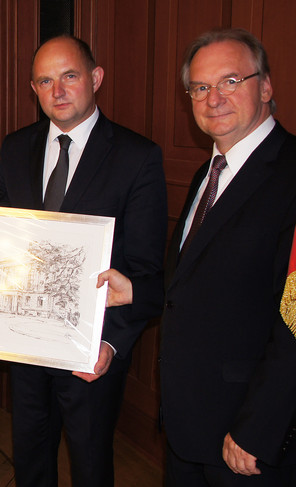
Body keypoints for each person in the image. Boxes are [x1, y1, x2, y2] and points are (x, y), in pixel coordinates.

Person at [0, 36, 167, 487]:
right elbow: (0, 239)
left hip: (92, 352)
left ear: (95, 78)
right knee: (30, 459)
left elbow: (145, 270)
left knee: (90, 463)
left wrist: (109, 346)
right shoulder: (14, 148)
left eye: (69, 76)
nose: (58, 90)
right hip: (25, 343)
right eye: (45, 80)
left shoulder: (137, 156)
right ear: (33, 89)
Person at [160, 28, 296, 486]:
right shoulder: (209, 170)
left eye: (231, 81)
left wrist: (259, 426)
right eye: (200, 87)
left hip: (247, 437)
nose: (213, 97)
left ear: (266, 86)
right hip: (187, 425)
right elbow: (197, 281)